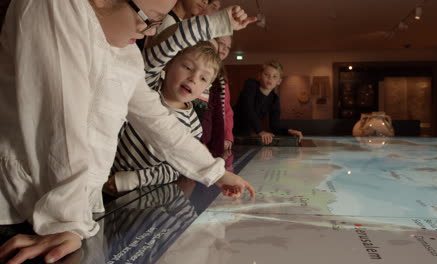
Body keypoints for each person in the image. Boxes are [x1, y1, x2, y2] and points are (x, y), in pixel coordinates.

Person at [0, 0, 256, 263]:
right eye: (150, 19)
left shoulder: (126, 53)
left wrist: (215, 172)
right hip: (28, 207)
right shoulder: (55, 7)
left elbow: (158, 122)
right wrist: (66, 220)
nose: (151, 32)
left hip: (75, 213)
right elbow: (59, 122)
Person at [108, 41, 222, 193]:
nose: (193, 78)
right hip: (100, 169)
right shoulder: (149, 87)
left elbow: (176, 167)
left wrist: (132, 179)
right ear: (168, 64)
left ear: (206, 87)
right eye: (187, 67)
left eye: (203, 78)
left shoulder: (194, 126)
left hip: (136, 191)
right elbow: (160, 53)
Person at [233, 61, 304, 145]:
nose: (270, 79)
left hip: (245, 135)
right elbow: (248, 109)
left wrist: (290, 131)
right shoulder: (251, 84)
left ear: (279, 81)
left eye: (274, 76)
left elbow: (274, 126)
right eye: (266, 75)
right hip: (230, 128)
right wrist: (260, 131)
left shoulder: (274, 99)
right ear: (259, 76)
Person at [199, 35, 234, 157]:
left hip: (215, 137)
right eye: (221, 43)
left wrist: (228, 136)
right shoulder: (200, 70)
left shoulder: (222, 77)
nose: (224, 49)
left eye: (228, 47)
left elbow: (226, 109)